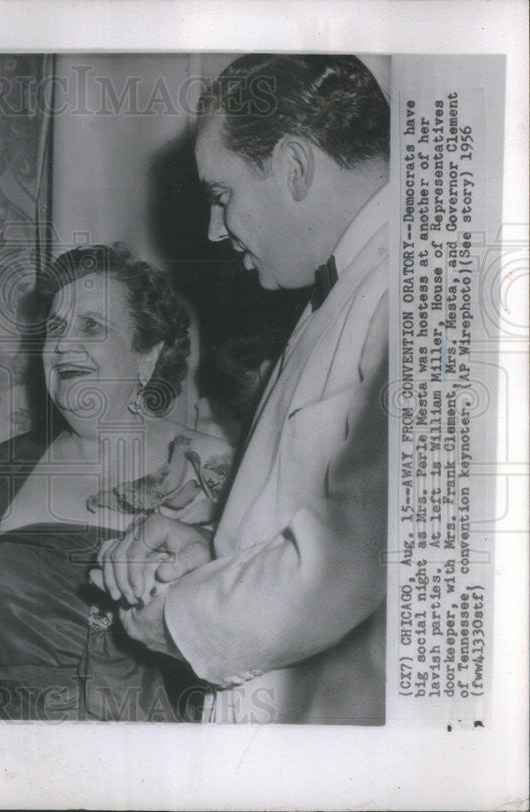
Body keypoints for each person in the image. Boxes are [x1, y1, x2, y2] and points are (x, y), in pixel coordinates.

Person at [96, 54, 391, 724]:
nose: (214, 230)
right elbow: (326, 518)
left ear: (294, 167)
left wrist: (181, 619)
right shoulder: (336, 295)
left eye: (222, 195)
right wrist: (212, 552)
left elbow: (352, 561)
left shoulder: (409, 292)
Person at [0, 245, 233, 721]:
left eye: (91, 326)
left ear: (147, 356)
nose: (64, 345)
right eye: (55, 329)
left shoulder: (212, 469)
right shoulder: (2, 467)